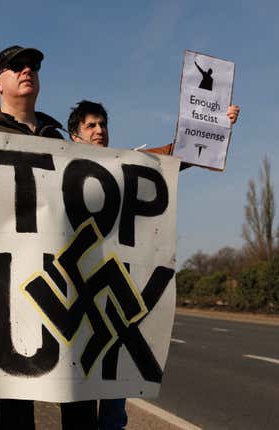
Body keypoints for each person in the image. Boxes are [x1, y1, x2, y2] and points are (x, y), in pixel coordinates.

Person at [66, 99, 239, 430]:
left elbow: (177, 156)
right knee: (80, 399)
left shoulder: (126, 166)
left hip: (117, 294)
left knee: (116, 394)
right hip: (77, 298)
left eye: (103, 124)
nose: (99, 130)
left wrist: (218, 126)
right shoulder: (57, 168)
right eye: (90, 125)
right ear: (74, 136)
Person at [0, 45, 98, 430]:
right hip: (8, 291)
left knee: (75, 393)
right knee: (17, 401)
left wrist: (201, 140)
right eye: (16, 67)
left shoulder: (59, 139)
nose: (27, 71)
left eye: (33, 67)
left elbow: (127, 170)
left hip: (62, 285)